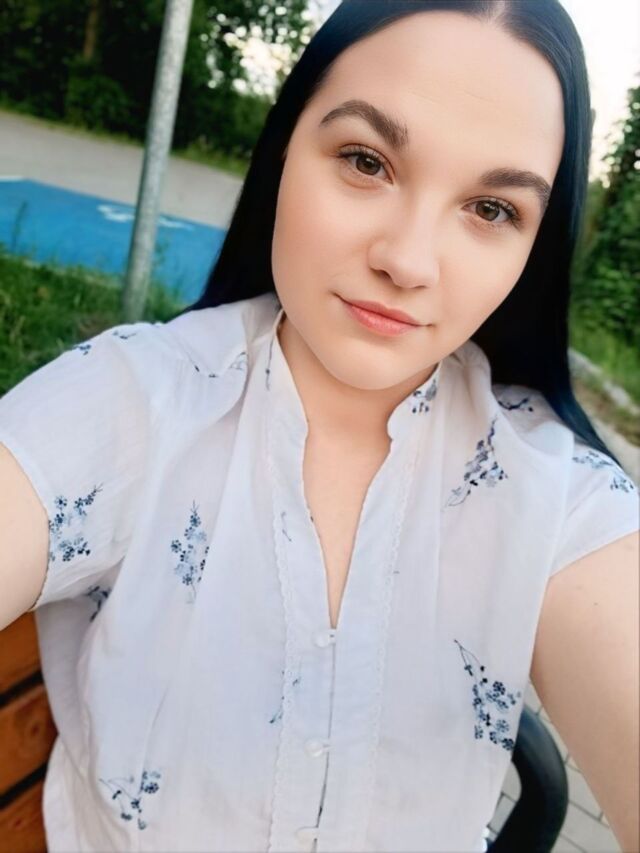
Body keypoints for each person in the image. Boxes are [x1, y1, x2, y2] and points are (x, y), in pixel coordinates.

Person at [0, 1, 638, 851]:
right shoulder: (135, 401)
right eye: (366, 161)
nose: (407, 260)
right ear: (285, 149)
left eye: (491, 209)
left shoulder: (555, 494)